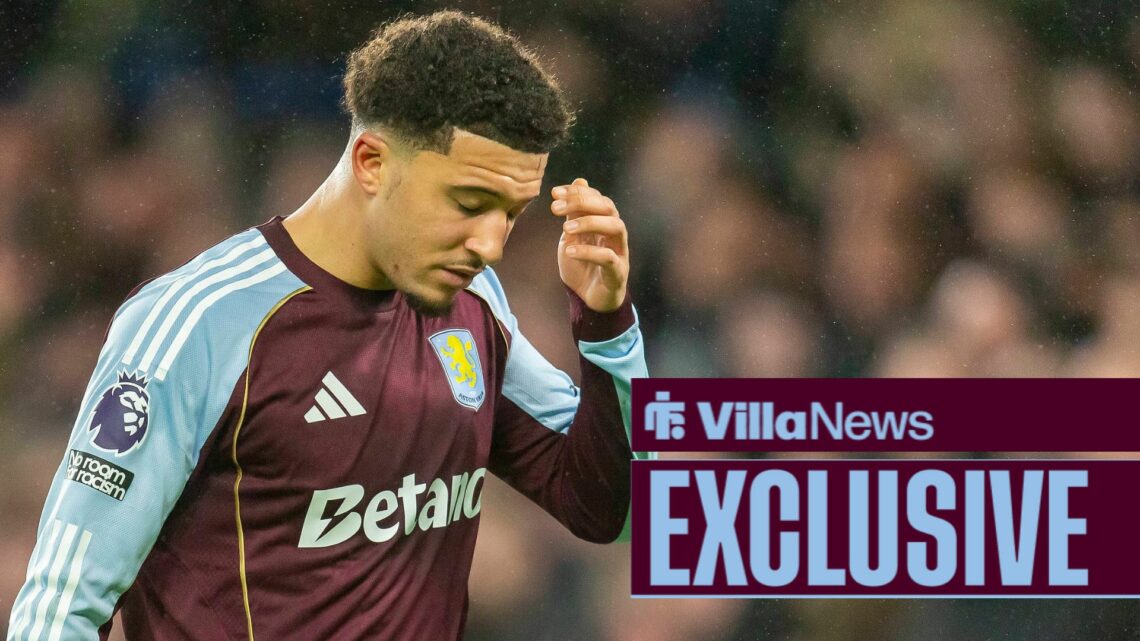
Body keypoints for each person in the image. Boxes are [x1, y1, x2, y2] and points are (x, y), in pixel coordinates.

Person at [7, 11, 648, 641]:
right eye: (469, 203)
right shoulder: (200, 323)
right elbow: (60, 605)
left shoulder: (474, 302)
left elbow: (616, 509)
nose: (491, 244)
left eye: (511, 213)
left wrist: (608, 326)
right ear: (371, 161)